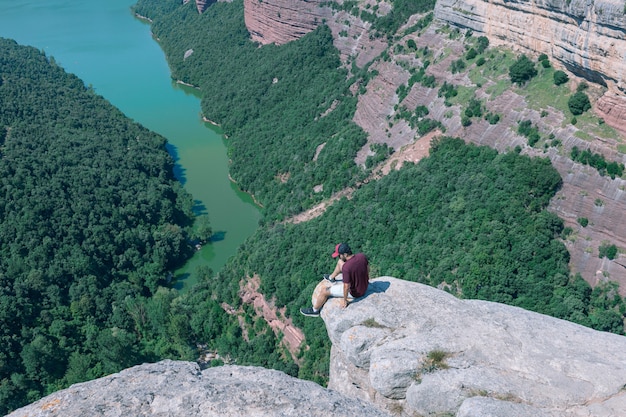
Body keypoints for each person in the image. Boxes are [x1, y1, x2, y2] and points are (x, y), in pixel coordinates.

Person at [300, 243, 369, 317]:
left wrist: (345, 301)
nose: (339, 257)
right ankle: (331, 278)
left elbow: (346, 286)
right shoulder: (362, 256)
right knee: (340, 262)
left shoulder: (347, 267)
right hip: (365, 287)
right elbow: (368, 269)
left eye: (339, 255)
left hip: (356, 293)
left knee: (324, 291)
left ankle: (315, 310)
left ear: (345, 254)